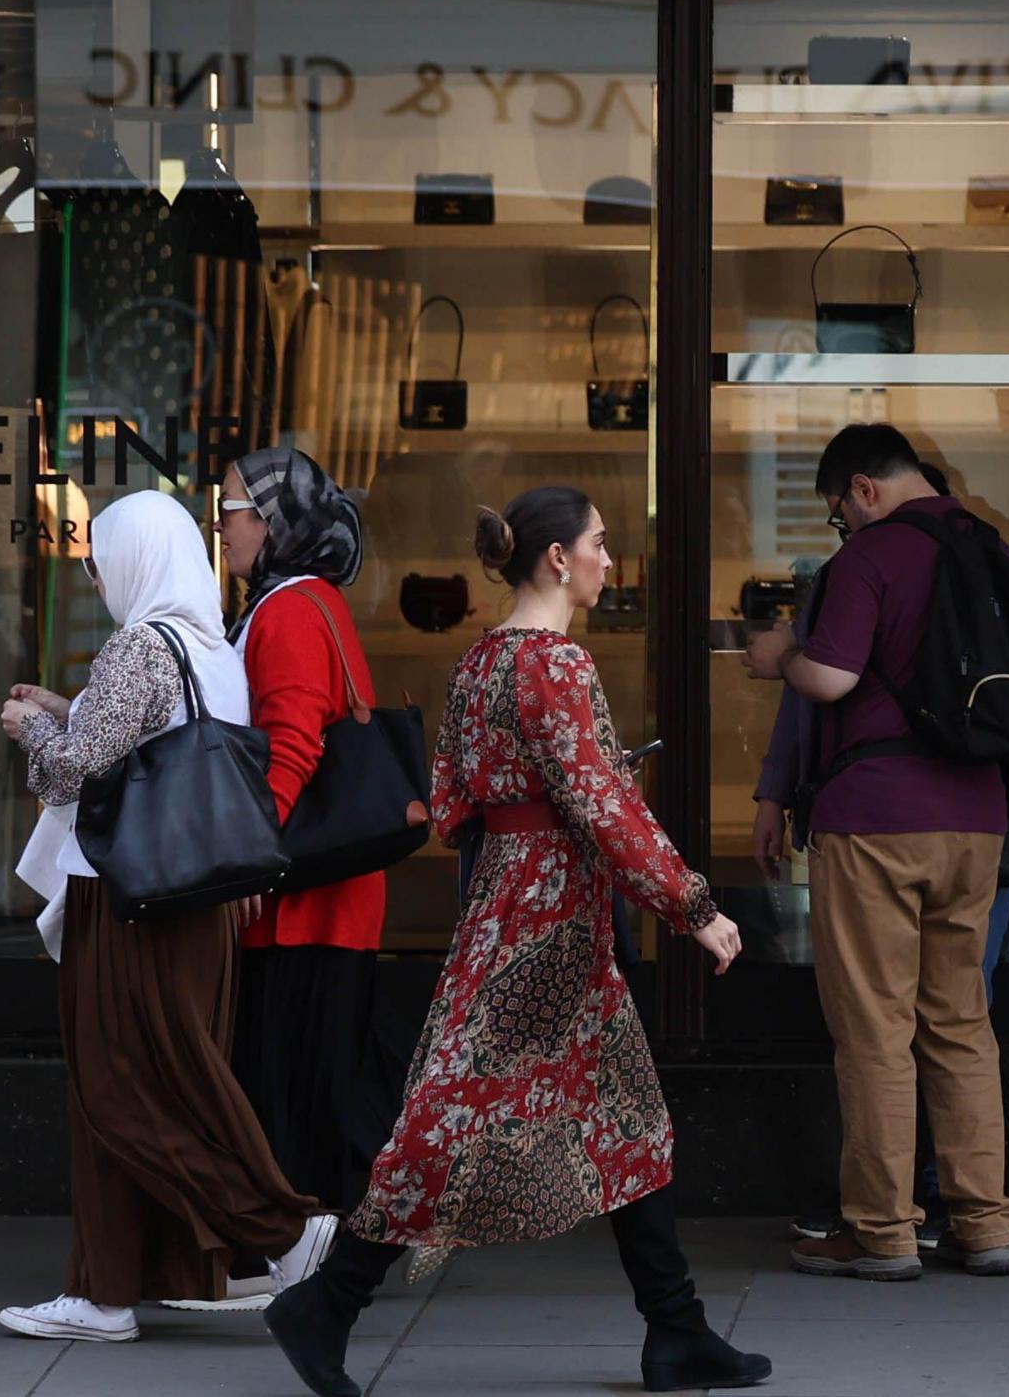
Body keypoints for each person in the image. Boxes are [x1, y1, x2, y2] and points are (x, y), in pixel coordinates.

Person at [267, 487, 765, 1397]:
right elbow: (603, 804)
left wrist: (523, 834)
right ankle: (328, 1303)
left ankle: (677, 1327)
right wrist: (694, 904)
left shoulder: (482, 660)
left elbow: (453, 800)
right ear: (557, 560)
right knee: (446, 1123)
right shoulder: (556, 665)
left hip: (513, 899)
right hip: (552, 920)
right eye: (600, 545)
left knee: (623, 1120)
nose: (610, 561)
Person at [0, 489, 336, 1345]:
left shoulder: (139, 643)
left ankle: (284, 1229)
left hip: (129, 901)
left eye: (101, 559)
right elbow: (158, 747)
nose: (97, 575)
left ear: (137, 558)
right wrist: (69, 708)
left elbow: (76, 771)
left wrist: (30, 731)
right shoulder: (209, 645)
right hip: (196, 897)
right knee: (175, 1074)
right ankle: (108, 1289)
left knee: (118, 1086)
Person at [742, 425, 1009, 1283]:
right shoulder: (993, 547)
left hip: (876, 820)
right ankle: (985, 1223)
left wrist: (779, 656)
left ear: (863, 488)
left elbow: (833, 679)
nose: (842, 528)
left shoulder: (872, 557)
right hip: (976, 821)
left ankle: (881, 1229)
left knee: (876, 1027)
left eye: (839, 513)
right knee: (960, 1022)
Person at [218, 449, 409, 1210]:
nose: (222, 524)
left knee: (300, 1083)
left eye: (232, 507)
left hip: (300, 901)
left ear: (272, 522)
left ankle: (311, 1242)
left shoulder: (290, 607)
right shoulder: (306, 598)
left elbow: (292, 745)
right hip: (325, 899)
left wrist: (246, 864)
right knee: (329, 1077)